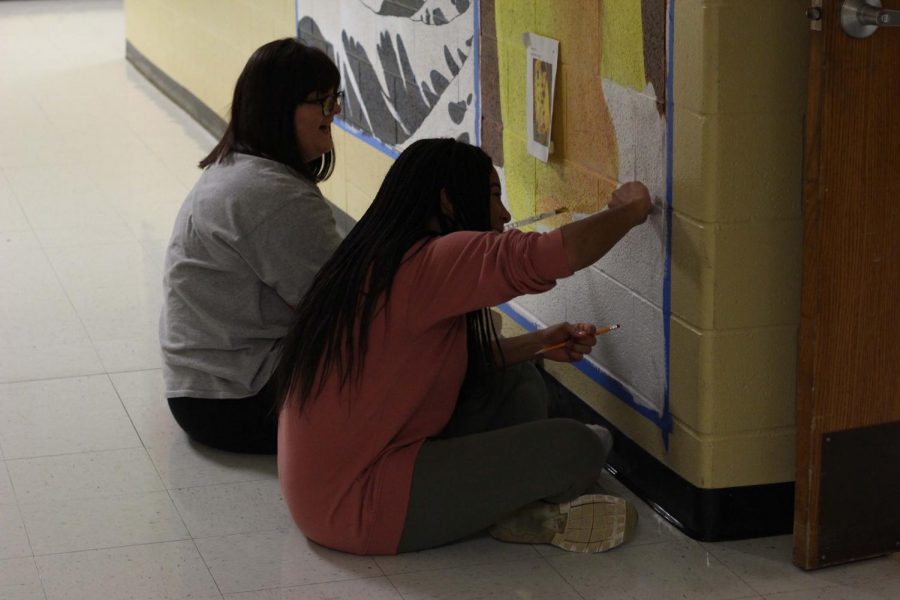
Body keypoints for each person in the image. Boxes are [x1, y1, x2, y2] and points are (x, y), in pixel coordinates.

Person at [275, 138, 654, 555]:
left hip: (332, 487)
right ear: (448, 201)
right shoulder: (435, 259)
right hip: (358, 506)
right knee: (578, 447)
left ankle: (505, 504)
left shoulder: (377, 254)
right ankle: (514, 504)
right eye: (493, 196)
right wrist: (629, 210)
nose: (505, 214)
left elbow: (439, 366)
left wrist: (539, 343)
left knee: (519, 378)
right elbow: (552, 255)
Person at [159, 38, 345, 454]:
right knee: (412, 365)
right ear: (281, 109)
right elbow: (346, 307)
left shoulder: (239, 169)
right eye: (324, 101)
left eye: (335, 98)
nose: (335, 112)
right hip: (236, 401)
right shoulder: (273, 196)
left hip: (202, 389)